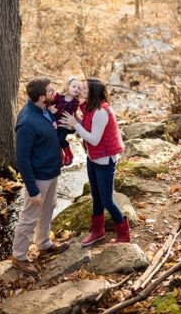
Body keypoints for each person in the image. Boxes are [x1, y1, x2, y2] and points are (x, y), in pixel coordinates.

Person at [61, 77, 130, 245]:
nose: (80, 90)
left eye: (84, 88)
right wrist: (75, 123)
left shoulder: (101, 112)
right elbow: (85, 132)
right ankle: (98, 231)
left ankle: (124, 233)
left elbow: (94, 139)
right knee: (96, 196)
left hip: (105, 161)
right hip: (93, 158)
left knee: (107, 200)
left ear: (93, 93)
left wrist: (75, 125)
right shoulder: (88, 108)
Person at [11, 77, 70, 276]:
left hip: (52, 172)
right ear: (41, 97)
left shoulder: (45, 109)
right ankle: (19, 256)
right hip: (38, 177)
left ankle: (43, 244)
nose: (56, 93)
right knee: (29, 217)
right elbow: (22, 159)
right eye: (51, 90)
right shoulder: (27, 122)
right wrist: (33, 189)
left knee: (49, 207)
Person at [48, 75, 83, 167]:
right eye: (74, 86)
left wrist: (72, 125)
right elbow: (48, 104)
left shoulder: (76, 102)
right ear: (68, 86)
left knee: (60, 139)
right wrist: (50, 108)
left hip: (66, 124)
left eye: (79, 88)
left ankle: (69, 154)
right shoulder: (58, 96)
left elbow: (73, 114)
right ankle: (60, 156)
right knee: (53, 139)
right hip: (55, 122)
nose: (76, 89)